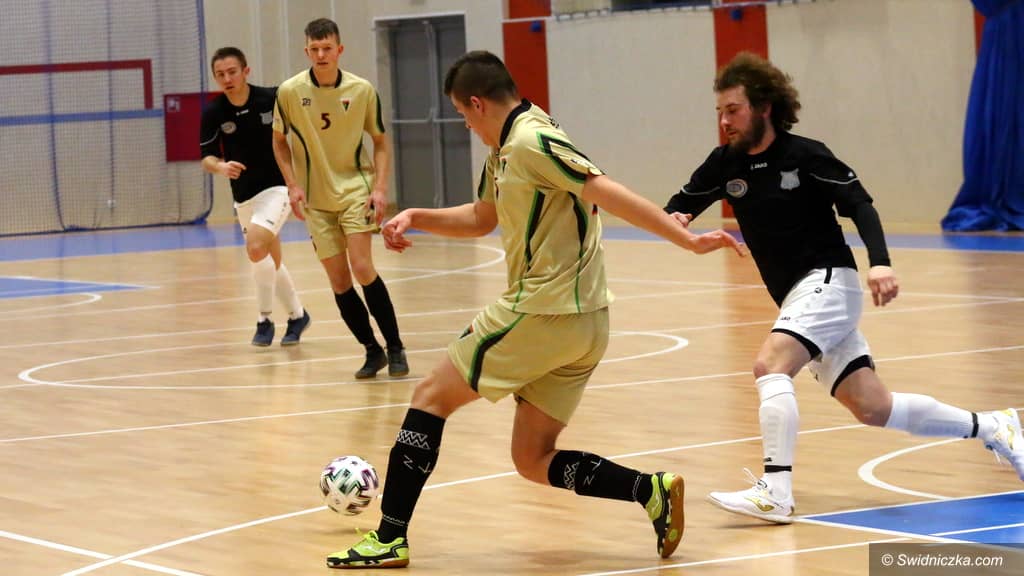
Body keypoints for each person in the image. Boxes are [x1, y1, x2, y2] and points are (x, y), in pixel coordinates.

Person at [325, 50, 747, 569]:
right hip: (585, 324)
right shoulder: (506, 148)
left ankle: (390, 537)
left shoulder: (532, 140)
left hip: (544, 309)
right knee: (532, 458)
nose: (466, 126)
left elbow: (604, 190)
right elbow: (482, 218)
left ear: (477, 104)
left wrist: (686, 240)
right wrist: (416, 216)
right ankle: (648, 490)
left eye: (462, 115)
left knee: (430, 397)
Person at [665, 52, 1024, 525]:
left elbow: (860, 205)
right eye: (720, 112)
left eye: (733, 110)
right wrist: (681, 231)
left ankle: (776, 491)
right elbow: (676, 209)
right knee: (873, 407)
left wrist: (880, 263)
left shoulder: (806, 155)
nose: (724, 121)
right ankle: (994, 426)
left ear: (764, 107)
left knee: (769, 365)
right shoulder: (723, 164)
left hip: (829, 281)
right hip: (798, 296)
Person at [271, 18, 407, 379]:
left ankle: (395, 347)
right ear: (306, 51)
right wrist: (292, 185)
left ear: (339, 50)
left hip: (354, 190)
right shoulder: (289, 92)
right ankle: (372, 351)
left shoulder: (361, 90)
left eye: (327, 48)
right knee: (339, 280)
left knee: (362, 267)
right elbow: (279, 142)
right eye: (314, 49)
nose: (321, 55)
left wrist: (380, 188)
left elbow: (380, 142)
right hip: (315, 200)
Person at [200, 47, 311, 347]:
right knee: (269, 258)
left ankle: (264, 320)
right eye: (220, 74)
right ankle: (298, 316)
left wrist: (298, 182)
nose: (227, 79)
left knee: (256, 247)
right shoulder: (213, 111)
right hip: (243, 197)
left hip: (277, 188)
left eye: (232, 72)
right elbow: (206, 157)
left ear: (246, 71)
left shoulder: (272, 98)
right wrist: (220, 166)